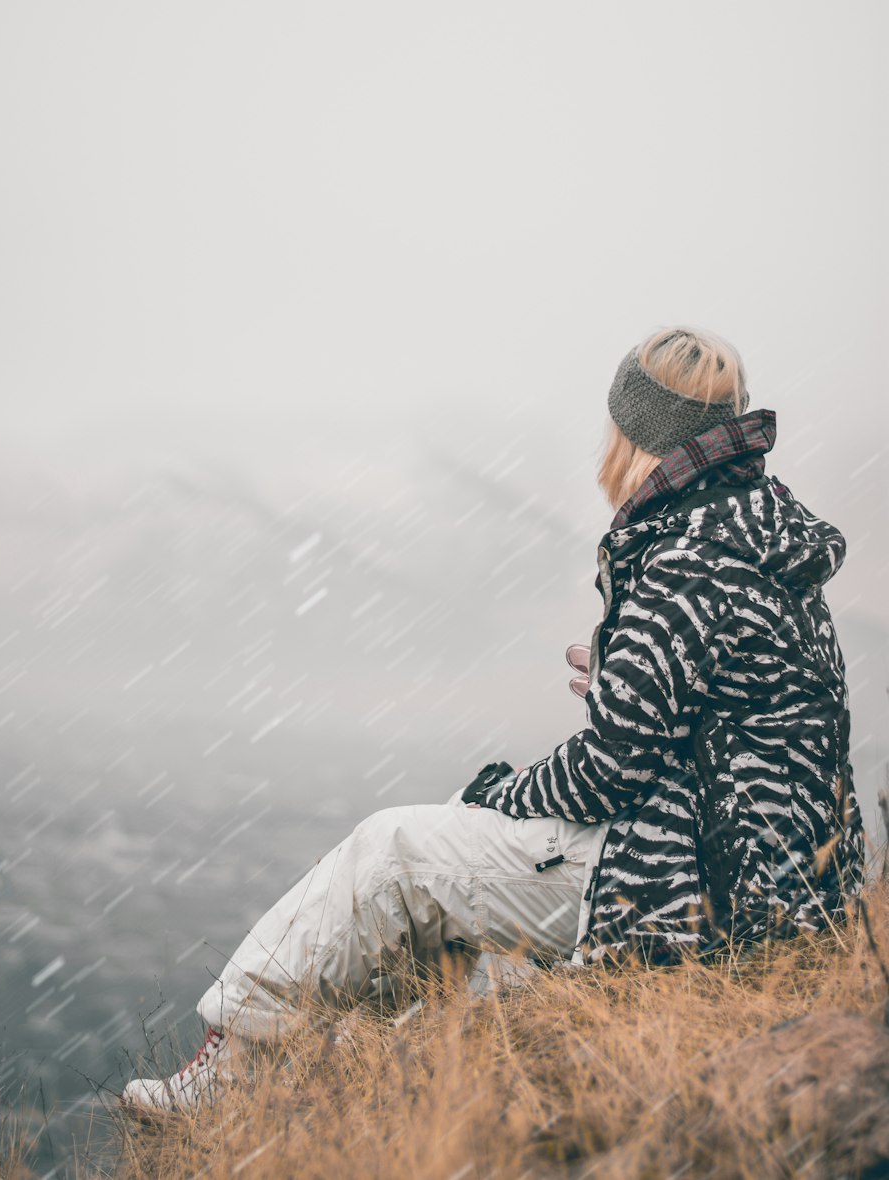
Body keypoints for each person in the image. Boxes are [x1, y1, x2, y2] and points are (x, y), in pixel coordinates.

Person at [120, 325, 866, 1114]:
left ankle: (232, 1070)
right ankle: (343, 1072)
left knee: (393, 853)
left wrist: (506, 791)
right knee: (439, 863)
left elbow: (614, 767)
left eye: (615, 426)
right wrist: (623, 679)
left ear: (641, 436)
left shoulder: (688, 556)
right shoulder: (758, 533)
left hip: (690, 884)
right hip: (777, 883)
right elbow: (737, 719)